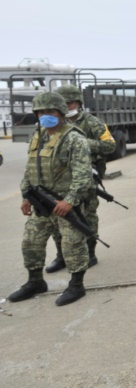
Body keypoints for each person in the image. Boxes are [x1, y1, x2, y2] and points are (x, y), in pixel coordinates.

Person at [8, 92, 93, 306]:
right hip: (40, 202)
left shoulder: (74, 138)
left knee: (72, 244)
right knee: (31, 243)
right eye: (41, 112)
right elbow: (30, 169)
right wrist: (25, 195)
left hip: (64, 203)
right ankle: (35, 282)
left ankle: (76, 285)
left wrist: (70, 201)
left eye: (50, 111)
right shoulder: (38, 136)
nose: (45, 115)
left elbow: (83, 174)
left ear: (61, 112)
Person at [41, 84, 116, 272]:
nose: (67, 106)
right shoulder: (52, 124)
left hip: (86, 180)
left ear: (78, 103)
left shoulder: (91, 122)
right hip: (57, 182)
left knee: (87, 217)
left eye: (70, 102)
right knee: (57, 220)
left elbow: (110, 146)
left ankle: (90, 253)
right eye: (63, 103)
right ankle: (62, 256)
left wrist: (81, 143)